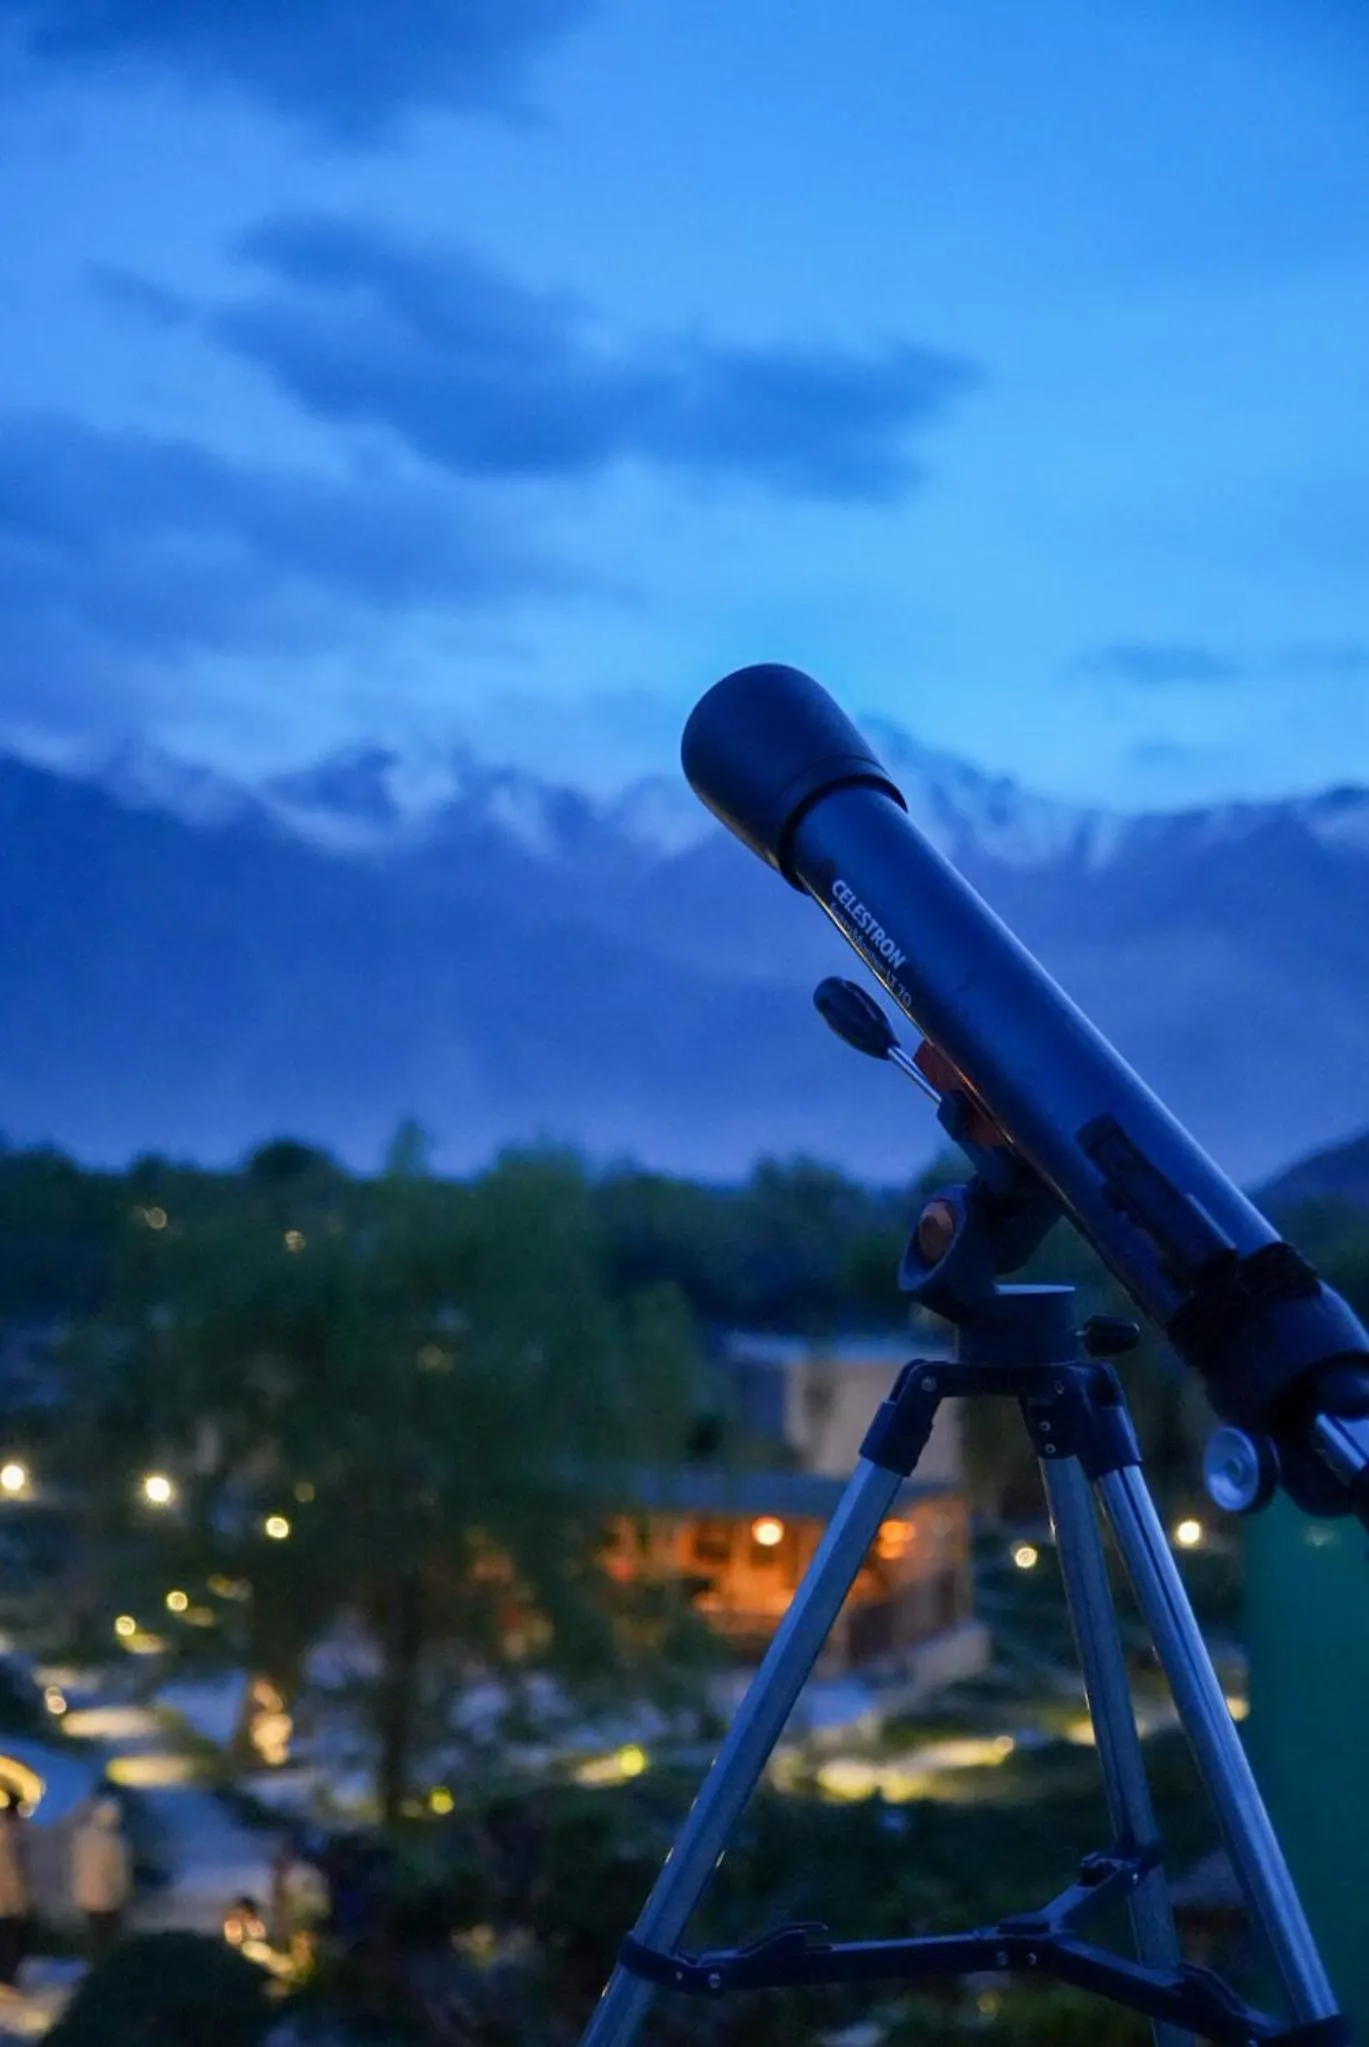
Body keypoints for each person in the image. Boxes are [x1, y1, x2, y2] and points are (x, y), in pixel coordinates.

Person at [70, 1797, 131, 1959]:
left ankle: (93, 1963)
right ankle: (106, 1965)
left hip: (86, 1898)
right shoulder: (115, 1842)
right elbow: (120, 1875)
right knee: (108, 1939)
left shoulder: (81, 1838)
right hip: (108, 1900)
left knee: (93, 1937)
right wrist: (123, 1895)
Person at [0, 1800, 30, 1987]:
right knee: (10, 1951)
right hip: (6, 1910)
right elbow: (11, 1883)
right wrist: (19, 1907)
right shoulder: (5, 1850)